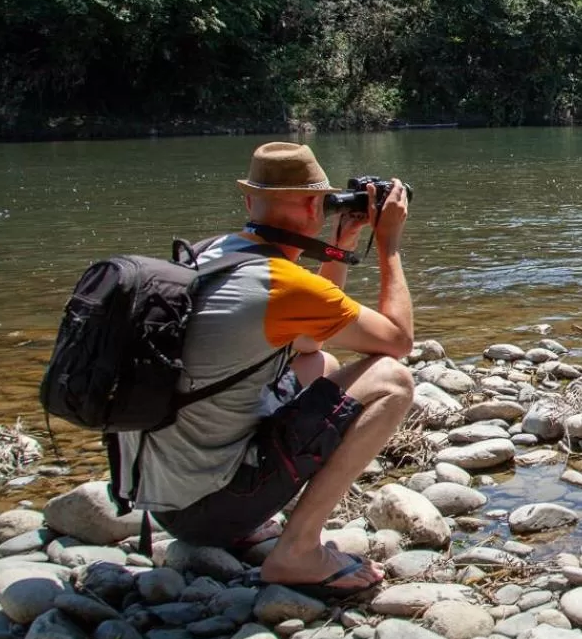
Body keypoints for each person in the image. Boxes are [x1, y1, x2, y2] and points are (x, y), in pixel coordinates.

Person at [113, 142, 415, 596]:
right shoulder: (281, 285)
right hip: (210, 509)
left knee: (318, 363)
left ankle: (242, 527)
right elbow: (397, 340)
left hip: (164, 499)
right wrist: (388, 245)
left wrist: (338, 250)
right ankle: (298, 550)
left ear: (249, 200)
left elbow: (309, 342)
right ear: (316, 204)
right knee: (392, 381)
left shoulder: (208, 253)